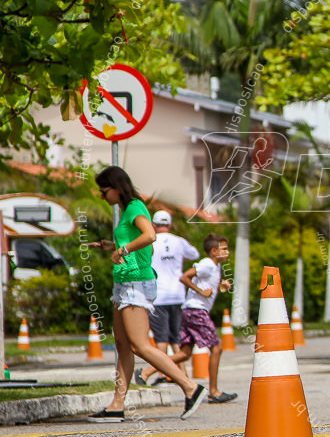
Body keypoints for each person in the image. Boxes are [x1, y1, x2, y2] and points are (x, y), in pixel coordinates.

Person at [89, 166, 206, 422]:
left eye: (103, 190)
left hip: (136, 284)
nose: (101, 195)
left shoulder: (134, 208)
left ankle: (190, 387)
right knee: (122, 345)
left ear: (117, 187)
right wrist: (112, 246)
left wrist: (123, 251)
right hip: (125, 283)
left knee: (139, 345)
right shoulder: (126, 211)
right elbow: (142, 246)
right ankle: (117, 404)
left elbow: (150, 235)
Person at [137, 233, 237, 403]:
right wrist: (201, 292)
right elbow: (184, 277)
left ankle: (146, 372)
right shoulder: (207, 264)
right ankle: (213, 391)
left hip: (190, 310)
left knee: (184, 354)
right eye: (224, 249)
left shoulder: (214, 266)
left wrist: (220, 286)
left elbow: (206, 285)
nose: (227, 252)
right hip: (196, 312)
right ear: (213, 251)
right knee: (217, 348)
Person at [148, 210, 200, 359]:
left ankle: (163, 373)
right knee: (176, 338)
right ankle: (180, 374)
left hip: (158, 296)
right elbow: (194, 254)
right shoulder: (179, 241)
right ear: (169, 225)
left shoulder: (150, 242)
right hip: (178, 294)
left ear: (153, 225)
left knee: (161, 339)